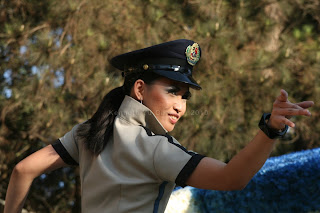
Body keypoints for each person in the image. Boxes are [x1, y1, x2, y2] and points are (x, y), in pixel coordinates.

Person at [4, 39, 314, 213]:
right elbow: (232, 178)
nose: (180, 105)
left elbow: (22, 170)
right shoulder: (155, 149)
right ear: (139, 89)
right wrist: (270, 130)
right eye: (172, 91)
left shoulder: (88, 131)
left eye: (185, 96)